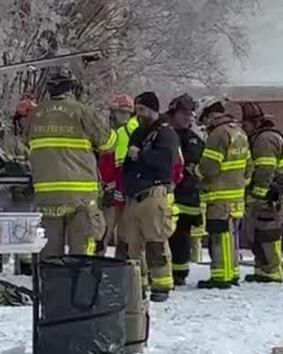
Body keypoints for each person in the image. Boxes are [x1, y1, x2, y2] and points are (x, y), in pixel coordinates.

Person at [27, 66, 115, 258]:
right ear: (72, 88)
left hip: (46, 196)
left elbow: (28, 147)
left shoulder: (34, 115)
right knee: (82, 252)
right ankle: (81, 287)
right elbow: (108, 143)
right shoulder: (83, 112)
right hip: (80, 196)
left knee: (49, 254)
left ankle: (51, 287)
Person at [122, 92, 180, 302]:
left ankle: (162, 285)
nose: (138, 114)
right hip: (134, 196)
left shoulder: (166, 134)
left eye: (142, 110)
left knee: (156, 242)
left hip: (154, 194)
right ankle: (139, 284)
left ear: (153, 110)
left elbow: (166, 162)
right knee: (134, 246)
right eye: (136, 110)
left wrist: (142, 155)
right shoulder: (138, 133)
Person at [195, 97, 252, 289]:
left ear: (211, 115)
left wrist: (195, 171)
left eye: (204, 120)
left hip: (219, 197)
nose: (204, 125)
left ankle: (221, 276)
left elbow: (210, 168)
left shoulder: (218, 135)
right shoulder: (240, 132)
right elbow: (249, 166)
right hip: (237, 196)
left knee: (220, 236)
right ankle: (233, 272)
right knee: (232, 235)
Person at [240, 102, 283, 283]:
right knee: (261, 233)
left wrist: (256, 195)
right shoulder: (265, 137)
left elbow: (265, 170)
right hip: (271, 193)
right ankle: (263, 269)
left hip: (269, 196)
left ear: (254, 122)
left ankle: (271, 271)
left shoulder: (264, 140)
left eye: (245, 125)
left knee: (268, 233)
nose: (244, 129)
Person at [165, 94, 204, 286]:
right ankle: (162, 273)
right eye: (184, 113)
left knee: (182, 236)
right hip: (165, 194)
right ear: (173, 113)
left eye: (191, 114)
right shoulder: (162, 134)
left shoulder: (194, 140)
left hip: (187, 198)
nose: (189, 118)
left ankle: (179, 273)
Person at [96, 94, 138, 257]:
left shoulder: (130, 132)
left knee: (124, 234)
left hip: (124, 189)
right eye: (120, 112)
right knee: (104, 231)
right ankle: (97, 263)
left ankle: (121, 266)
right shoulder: (108, 132)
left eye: (127, 113)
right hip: (110, 188)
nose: (124, 116)